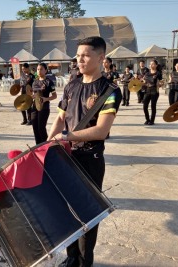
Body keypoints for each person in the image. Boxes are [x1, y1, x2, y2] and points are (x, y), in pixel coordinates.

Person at [48, 36, 122, 267]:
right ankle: (71, 257)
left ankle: (84, 261)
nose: (80, 59)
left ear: (101, 58)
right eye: (78, 55)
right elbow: (61, 118)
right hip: (65, 156)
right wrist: (48, 142)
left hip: (90, 159)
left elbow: (101, 130)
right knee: (67, 210)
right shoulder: (71, 85)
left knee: (88, 214)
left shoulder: (109, 91)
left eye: (86, 55)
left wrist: (68, 137)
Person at [31, 62, 57, 145]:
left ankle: (45, 146)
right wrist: (31, 96)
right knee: (35, 127)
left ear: (46, 70)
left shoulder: (49, 82)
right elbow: (35, 94)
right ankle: (37, 146)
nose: (39, 71)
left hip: (44, 108)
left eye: (41, 69)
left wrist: (46, 99)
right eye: (38, 69)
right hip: (35, 107)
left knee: (41, 128)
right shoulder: (35, 82)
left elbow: (54, 96)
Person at [142, 60, 162, 125]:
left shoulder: (158, 73)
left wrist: (160, 84)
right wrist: (142, 82)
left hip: (154, 91)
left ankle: (152, 120)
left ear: (156, 65)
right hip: (147, 90)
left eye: (152, 64)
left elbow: (161, 82)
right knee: (145, 106)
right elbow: (144, 81)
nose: (151, 65)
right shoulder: (147, 73)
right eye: (150, 64)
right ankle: (147, 119)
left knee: (153, 106)